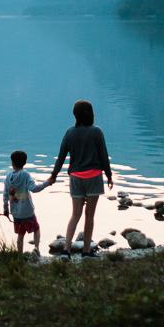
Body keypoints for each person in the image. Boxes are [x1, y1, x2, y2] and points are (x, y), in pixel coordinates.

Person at [48, 100, 113, 259]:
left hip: (76, 178)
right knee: (89, 215)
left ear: (75, 114)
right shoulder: (96, 132)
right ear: (90, 114)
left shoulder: (70, 132)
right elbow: (103, 155)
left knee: (75, 214)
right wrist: (109, 175)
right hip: (93, 177)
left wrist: (54, 174)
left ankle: (66, 250)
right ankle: (85, 252)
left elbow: (61, 156)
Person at [3, 149, 51, 255]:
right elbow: (34, 188)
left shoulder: (8, 178)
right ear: (24, 163)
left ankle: (19, 255)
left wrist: (6, 209)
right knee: (36, 228)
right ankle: (36, 249)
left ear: (12, 163)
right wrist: (47, 183)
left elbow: (5, 195)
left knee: (20, 235)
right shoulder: (25, 175)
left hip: (16, 213)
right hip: (27, 212)